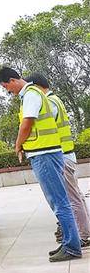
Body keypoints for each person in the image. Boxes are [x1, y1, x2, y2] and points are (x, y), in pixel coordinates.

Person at [0, 66, 82, 262]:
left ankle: (72, 247)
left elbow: (27, 123)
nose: (7, 91)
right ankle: (69, 242)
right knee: (57, 201)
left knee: (60, 202)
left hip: (45, 155)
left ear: (12, 80)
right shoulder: (32, 94)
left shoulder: (31, 95)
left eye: (5, 86)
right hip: (45, 153)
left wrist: (18, 145)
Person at [26, 72, 90, 250]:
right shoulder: (55, 100)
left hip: (62, 156)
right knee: (75, 197)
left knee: (71, 198)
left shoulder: (49, 102)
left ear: (37, 86)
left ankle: (82, 235)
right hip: (66, 154)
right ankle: (83, 233)